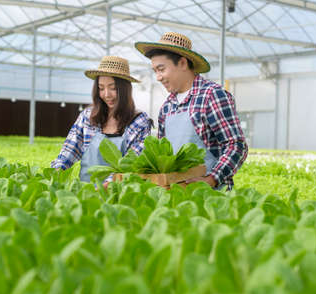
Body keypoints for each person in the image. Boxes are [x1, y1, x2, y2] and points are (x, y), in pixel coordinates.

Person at [135, 32, 248, 190]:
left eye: (161, 69)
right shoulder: (167, 107)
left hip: (212, 197)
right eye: (155, 71)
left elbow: (236, 146)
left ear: (182, 63)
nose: (158, 77)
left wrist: (211, 180)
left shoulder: (212, 95)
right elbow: (162, 155)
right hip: (175, 196)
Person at [51, 56, 153, 183]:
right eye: (101, 88)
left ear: (125, 88)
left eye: (113, 88)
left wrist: (106, 185)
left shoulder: (139, 121)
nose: (106, 94)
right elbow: (70, 149)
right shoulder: (87, 116)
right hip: (86, 192)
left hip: (120, 192)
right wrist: (56, 172)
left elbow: (131, 163)